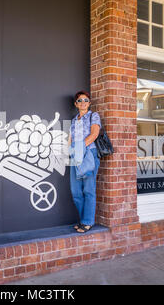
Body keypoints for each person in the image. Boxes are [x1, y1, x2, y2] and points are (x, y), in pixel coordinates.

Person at [69, 91, 101, 233]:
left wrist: (80, 148)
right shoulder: (74, 120)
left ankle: (88, 221)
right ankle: (83, 220)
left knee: (88, 189)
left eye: (86, 100)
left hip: (89, 154)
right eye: (80, 100)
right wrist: (70, 151)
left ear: (89, 103)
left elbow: (94, 134)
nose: (83, 102)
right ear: (76, 104)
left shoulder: (93, 116)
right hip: (75, 155)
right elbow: (70, 139)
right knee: (75, 190)